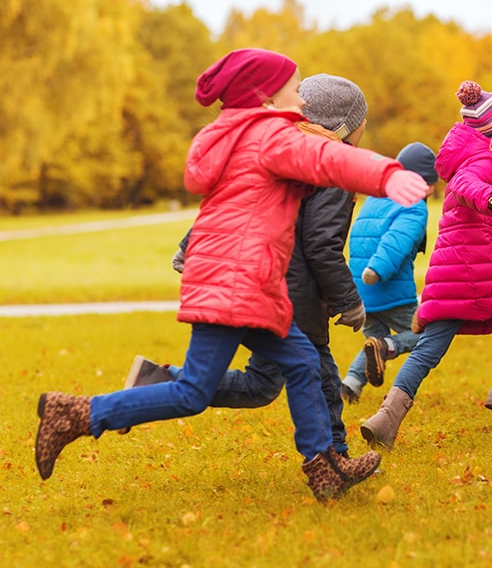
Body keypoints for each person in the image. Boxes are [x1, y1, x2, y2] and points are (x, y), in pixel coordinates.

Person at [34, 48, 428, 503]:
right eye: (294, 90)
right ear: (266, 98)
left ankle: (325, 467)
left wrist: (189, 248)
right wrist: (387, 174)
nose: (301, 100)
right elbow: (334, 162)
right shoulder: (275, 139)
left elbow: (232, 201)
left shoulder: (244, 138)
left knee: (300, 365)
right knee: (194, 392)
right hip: (237, 284)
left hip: (249, 284)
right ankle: (78, 413)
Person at [124, 73, 372, 457]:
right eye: (361, 128)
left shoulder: (273, 148)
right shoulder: (333, 167)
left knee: (261, 385)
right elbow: (322, 245)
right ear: (343, 128)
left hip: (263, 279)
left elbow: (237, 201)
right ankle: (333, 456)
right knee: (319, 371)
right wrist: (349, 301)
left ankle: (155, 382)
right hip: (292, 291)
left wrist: (189, 247)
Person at [360, 80, 492, 449]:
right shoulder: (485, 163)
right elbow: (469, 189)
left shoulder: (475, 161)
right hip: (476, 267)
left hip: (453, 272)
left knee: (427, 349)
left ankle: (385, 419)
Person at [340, 142, 438, 404]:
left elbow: (362, 237)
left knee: (374, 338)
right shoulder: (413, 206)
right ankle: (390, 347)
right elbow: (396, 241)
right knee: (427, 334)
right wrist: (377, 270)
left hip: (362, 292)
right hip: (388, 288)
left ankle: (350, 383)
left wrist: (365, 277)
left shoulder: (375, 199)